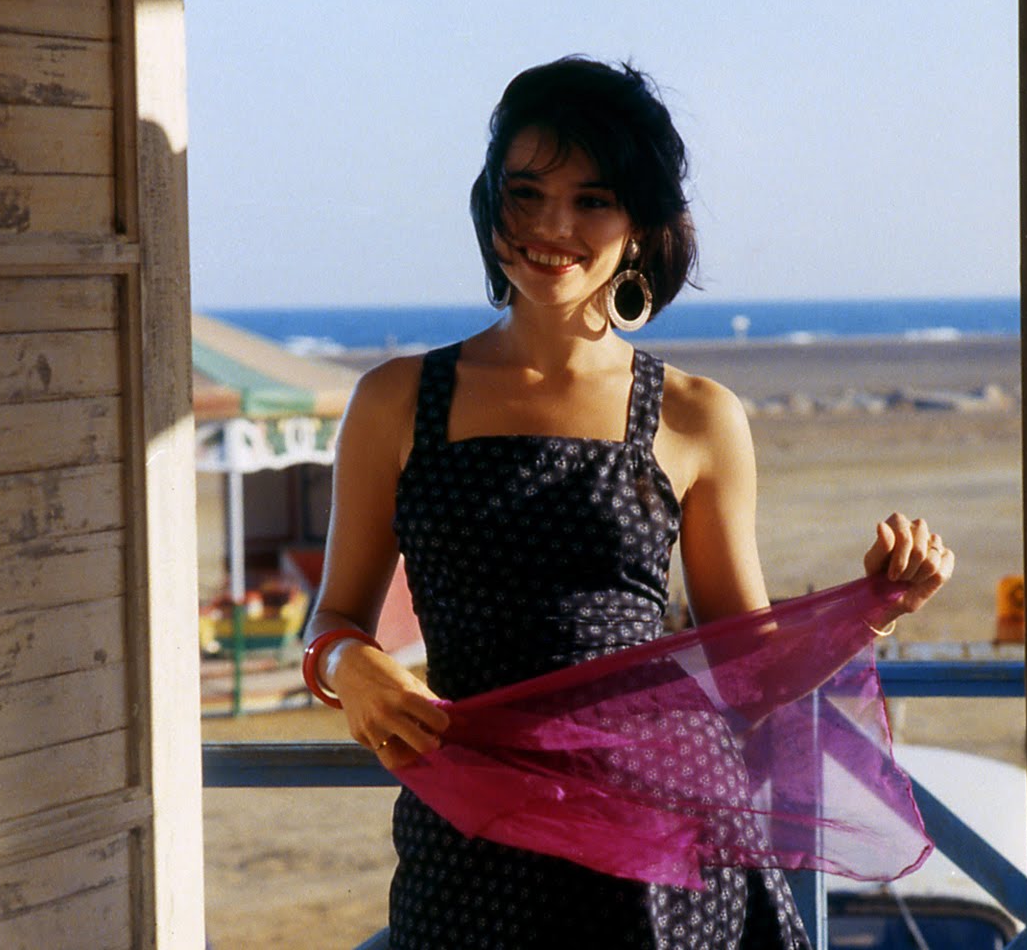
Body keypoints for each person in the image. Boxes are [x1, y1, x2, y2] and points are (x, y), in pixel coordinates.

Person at [300, 57, 955, 949]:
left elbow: (747, 674)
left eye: (593, 200)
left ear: (640, 225)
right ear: (489, 201)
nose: (552, 226)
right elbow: (335, 615)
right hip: (472, 834)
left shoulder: (695, 414)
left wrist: (877, 605)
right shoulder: (396, 401)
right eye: (526, 194)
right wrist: (348, 666)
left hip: (666, 839)